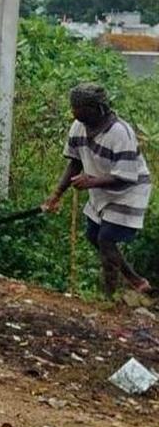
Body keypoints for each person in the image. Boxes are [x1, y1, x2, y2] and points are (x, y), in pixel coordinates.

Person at [42, 83, 152, 296]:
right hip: (100, 186)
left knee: (106, 237)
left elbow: (126, 177)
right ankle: (136, 281)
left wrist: (91, 182)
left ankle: (110, 294)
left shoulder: (120, 133)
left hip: (130, 190)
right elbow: (74, 162)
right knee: (94, 234)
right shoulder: (78, 127)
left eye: (78, 108)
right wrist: (56, 194)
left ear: (95, 109)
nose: (73, 112)